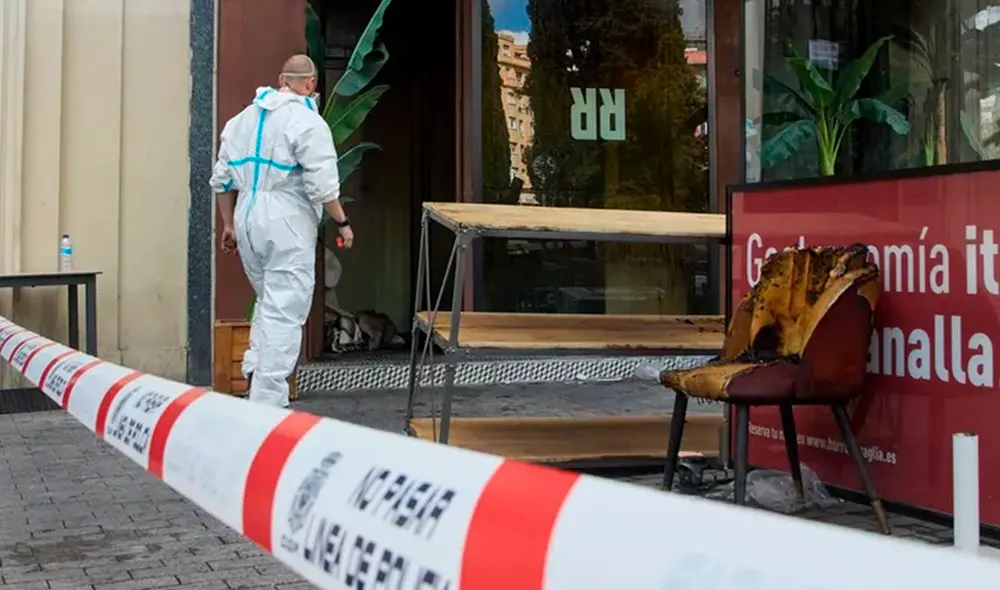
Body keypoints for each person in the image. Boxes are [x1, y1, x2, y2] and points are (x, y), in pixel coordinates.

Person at [209, 54, 354, 408]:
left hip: (247, 216)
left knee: (268, 304)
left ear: (280, 79)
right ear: (312, 84)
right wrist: (343, 222)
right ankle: (268, 401)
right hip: (285, 219)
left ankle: (255, 377)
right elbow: (322, 184)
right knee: (285, 308)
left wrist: (229, 225)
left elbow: (221, 180)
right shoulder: (307, 122)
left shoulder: (240, 121)